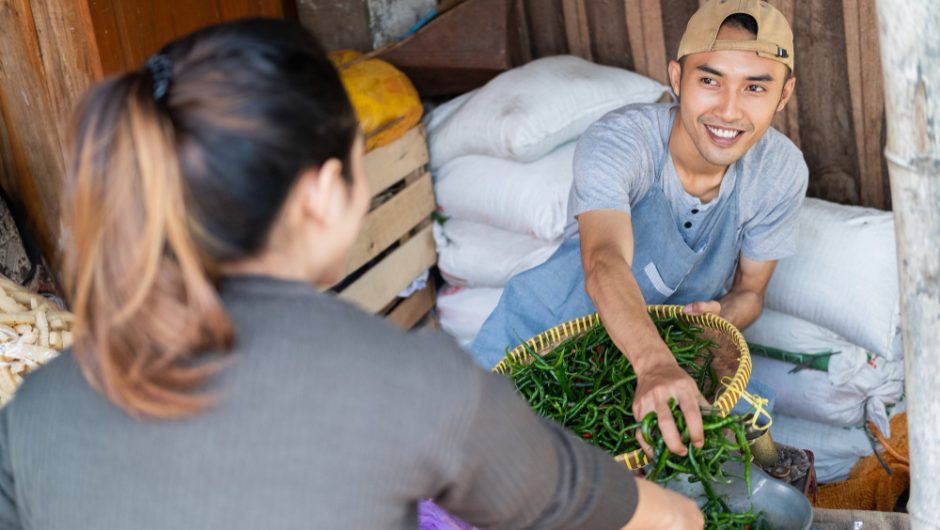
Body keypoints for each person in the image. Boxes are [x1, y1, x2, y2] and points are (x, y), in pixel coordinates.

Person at [0, 18, 703, 530]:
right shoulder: (408, 383)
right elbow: (639, 516)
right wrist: (689, 517)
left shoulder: (35, 413)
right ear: (319, 194)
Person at [472, 0, 808, 458]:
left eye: (754, 88)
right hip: (542, 352)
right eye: (709, 80)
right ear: (676, 78)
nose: (729, 111)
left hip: (660, 367)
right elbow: (604, 262)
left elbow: (750, 292)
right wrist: (655, 365)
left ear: (783, 96)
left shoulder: (780, 171)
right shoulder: (621, 143)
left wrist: (717, 319)